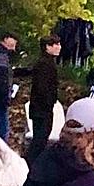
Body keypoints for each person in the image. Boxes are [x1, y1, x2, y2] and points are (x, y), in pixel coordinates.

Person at [26, 35, 62, 167]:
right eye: (55, 44)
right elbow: (42, 87)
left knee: (41, 138)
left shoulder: (48, 63)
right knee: (39, 140)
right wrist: (49, 101)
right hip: (42, 109)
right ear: (47, 47)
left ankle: (33, 164)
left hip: (42, 108)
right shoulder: (44, 64)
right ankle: (31, 165)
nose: (59, 47)